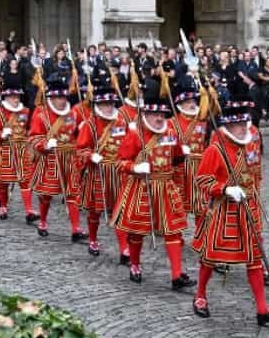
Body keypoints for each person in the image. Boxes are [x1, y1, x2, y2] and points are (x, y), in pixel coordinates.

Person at [190, 93, 269, 325]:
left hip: (248, 208)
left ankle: (262, 309)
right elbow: (202, 179)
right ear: (228, 126)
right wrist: (224, 189)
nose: (244, 129)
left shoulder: (250, 143)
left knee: (254, 259)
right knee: (210, 257)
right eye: (238, 125)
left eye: (245, 124)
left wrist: (254, 193)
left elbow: (254, 174)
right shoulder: (216, 149)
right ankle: (200, 295)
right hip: (224, 211)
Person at [110, 77, 196, 289]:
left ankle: (177, 274)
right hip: (142, 187)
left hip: (165, 186)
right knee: (137, 231)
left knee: (173, 231)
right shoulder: (134, 134)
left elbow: (175, 158)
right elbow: (120, 162)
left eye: (162, 114)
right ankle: (136, 265)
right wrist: (135, 168)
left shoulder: (171, 133)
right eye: (154, 114)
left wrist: (183, 155)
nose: (159, 118)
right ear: (145, 114)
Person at [71, 67, 128, 258]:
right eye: (105, 103)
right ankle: (93, 239)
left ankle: (124, 248)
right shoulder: (89, 125)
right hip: (98, 172)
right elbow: (80, 149)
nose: (109, 107)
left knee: (119, 211)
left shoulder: (121, 122)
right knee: (95, 211)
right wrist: (90, 156)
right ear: (98, 104)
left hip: (118, 171)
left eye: (111, 103)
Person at [27, 75, 84, 240]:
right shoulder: (41, 114)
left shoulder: (73, 114)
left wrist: (83, 129)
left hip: (69, 158)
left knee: (73, 194)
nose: (61, 100)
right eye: (58, 97)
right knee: (47, 194)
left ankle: (75, 228)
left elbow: (80, 135)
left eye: (63, 97)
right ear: (51, 97)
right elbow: (33, 137)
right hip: (50, 158)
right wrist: (45, 144)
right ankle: (43, 222)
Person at [0, 72, 38, 221]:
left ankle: (29, 210)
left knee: (25, 180)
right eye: (13, 97)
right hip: (5, 150)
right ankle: (3, 206)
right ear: (6, 97)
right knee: (4, 181)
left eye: (18, 97)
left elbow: (30, 128)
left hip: (22, 150)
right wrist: (1, 134)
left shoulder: (25, 111)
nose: (16, 99)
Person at [170, 75, 210, 233]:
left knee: (201, 203)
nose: (193, 105)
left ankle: (201, 235)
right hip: (180, 168)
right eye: (188, 102)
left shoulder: (202, 121)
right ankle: (176, 234)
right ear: (180, 105)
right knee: (179, 203)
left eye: (194, 101)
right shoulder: (172, 123)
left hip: (199, 167)